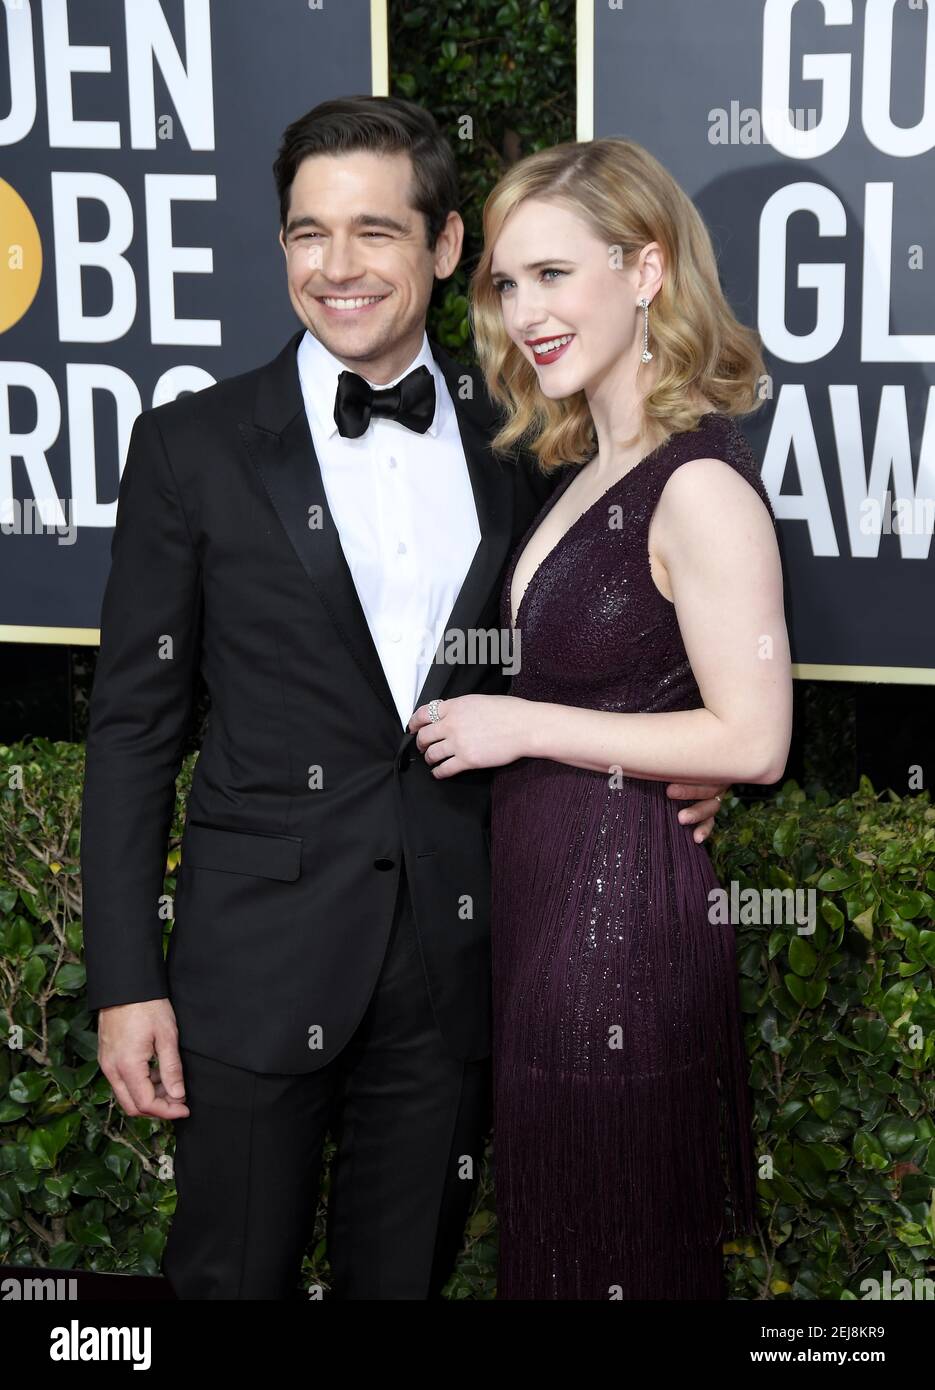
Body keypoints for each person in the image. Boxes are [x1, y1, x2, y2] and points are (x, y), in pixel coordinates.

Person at [80, 98, 728, 1300]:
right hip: (253, 966)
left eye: (373, 232)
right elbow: (130, 730)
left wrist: (693, 763)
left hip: (458, 959)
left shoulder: (531, 437)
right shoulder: (192, 447)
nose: (335, 267)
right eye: (305, 234)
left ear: (441, 251)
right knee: (225, 1276)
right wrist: (125, 979)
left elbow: (610, 645)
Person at [408, 137, 792, 1299]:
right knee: (570, 1246)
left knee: (613, 1242)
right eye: (506, 284)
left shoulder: (698, 486)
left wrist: (519, 724)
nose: (524, 311)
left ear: (644, 270)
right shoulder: (580, 466)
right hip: (549, 908)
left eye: (553, 274)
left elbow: (752, 739)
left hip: (615, 931)